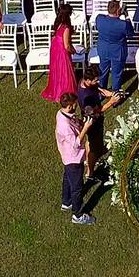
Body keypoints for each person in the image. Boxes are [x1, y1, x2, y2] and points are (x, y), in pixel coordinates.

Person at [56, 92, 96, 225]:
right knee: (77, 188)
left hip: (67, 157)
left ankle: (66, 202)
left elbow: (73, 122)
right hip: (73, 158)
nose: (76, 107)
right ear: (69, 106)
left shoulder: (61, 113)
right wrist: (85, 128)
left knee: (67, 179)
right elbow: (75, 144)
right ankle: (77, 215)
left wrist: (79, 122)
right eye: (74, 105)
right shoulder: (65, 126)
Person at [76, 68, 123, 182]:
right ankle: (90, 172)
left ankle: (90, 159)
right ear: (88, 80)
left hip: (93, 120)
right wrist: (111, 102)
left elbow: (98, 89)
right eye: (96, 80)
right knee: (94, 149)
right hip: (93, 123)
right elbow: (98, 111)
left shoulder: (85, 82)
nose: (98, 81)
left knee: (90, 141)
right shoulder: (86, 98)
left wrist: (112, 93)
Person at [42, 4, 79, 102]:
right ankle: (65, 91)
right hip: (61, 50)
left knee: (57, 69)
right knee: (64, 70)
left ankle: (57, 89)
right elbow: (67, 45)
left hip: (55, 48)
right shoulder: (66, 27)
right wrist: (73, 51)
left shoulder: (57, 23)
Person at [95, 0, 133, 91]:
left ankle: (101, 92)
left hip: (103, 49)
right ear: (118, 11)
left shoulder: (99, 18)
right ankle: (115, 95)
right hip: (118, 51)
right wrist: (126, 16)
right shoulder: (123, 24)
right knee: (116, 74)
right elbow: (130, 33)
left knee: (102, 71)